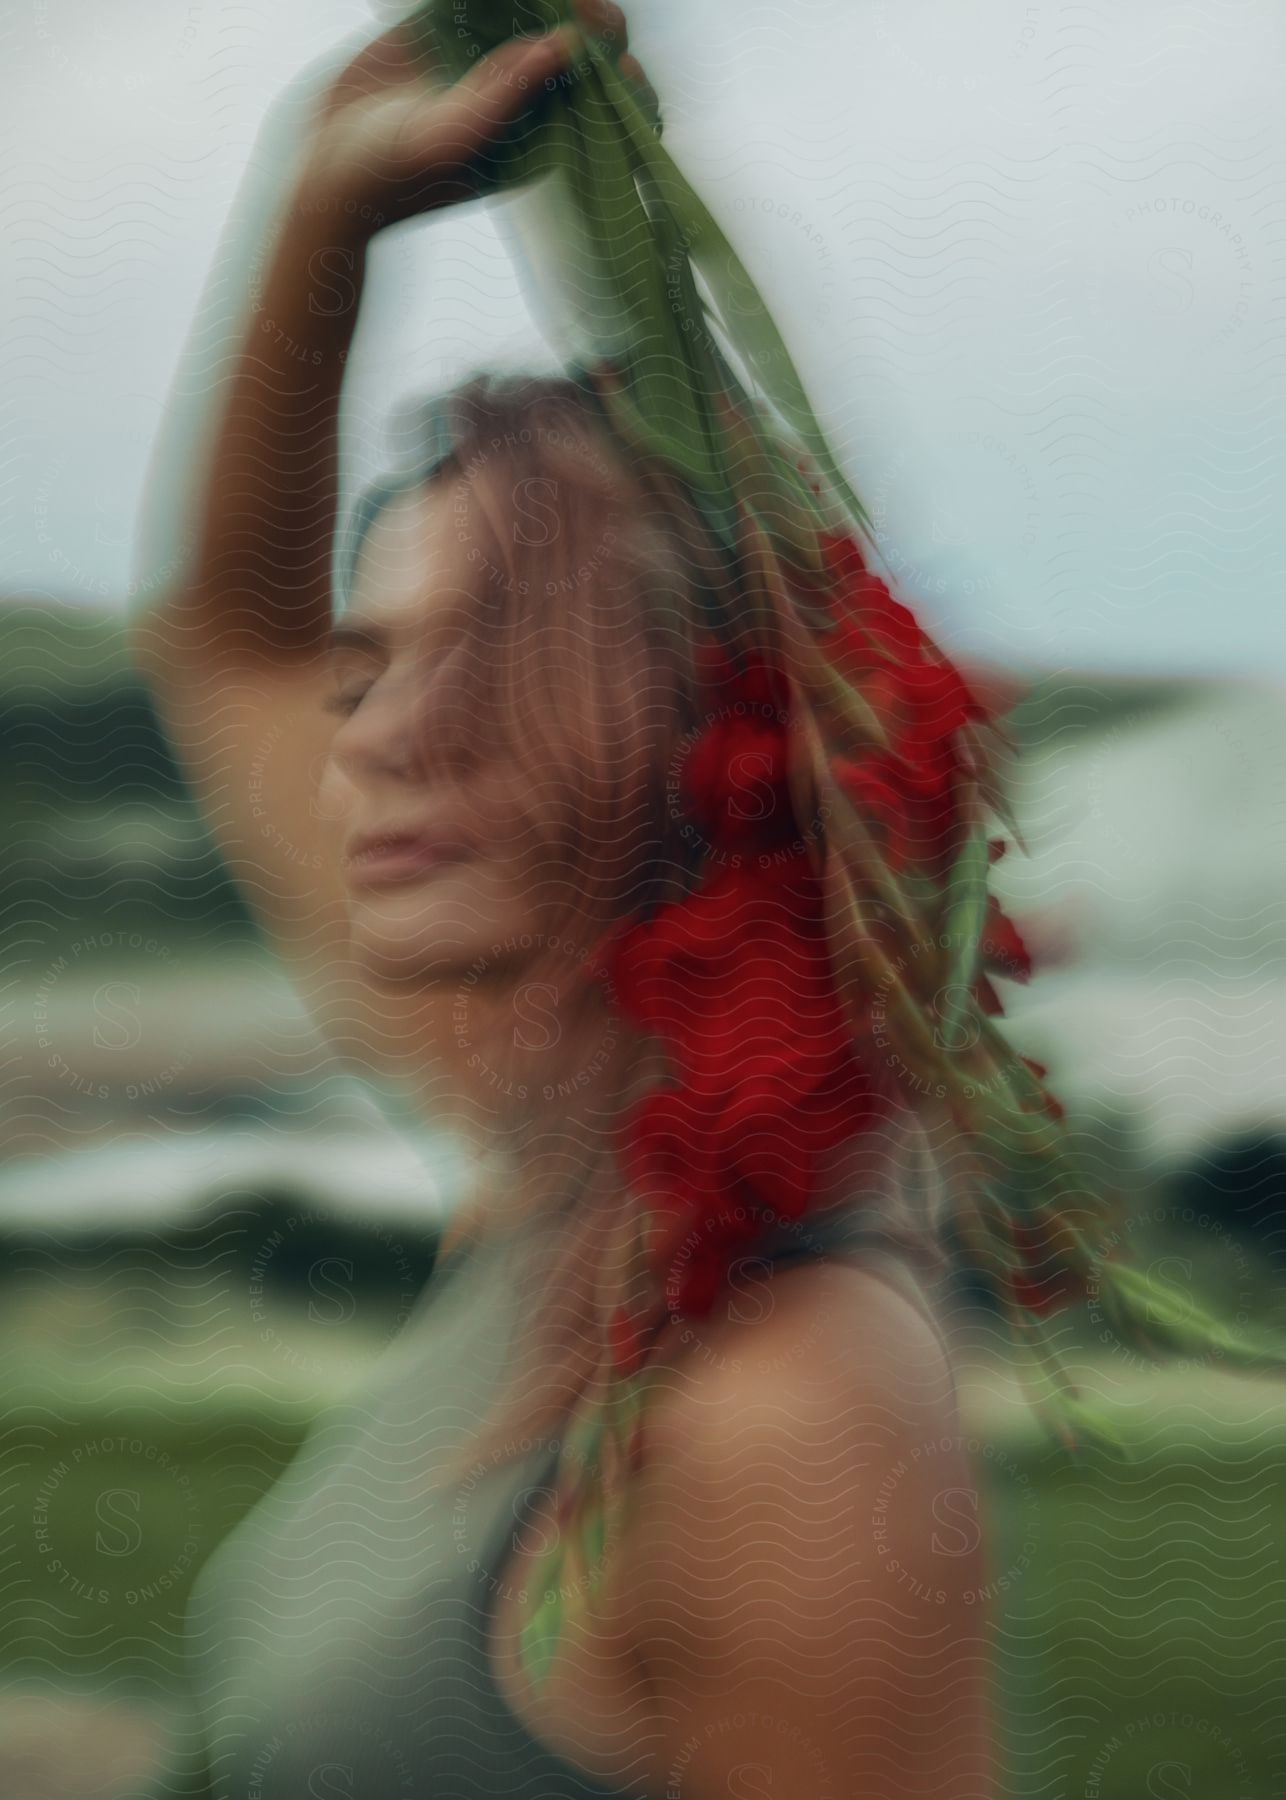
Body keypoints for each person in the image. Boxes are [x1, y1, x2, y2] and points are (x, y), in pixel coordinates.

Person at [129, 6, 996, 1795]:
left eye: (498, 661)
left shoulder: (788, 1413)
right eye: (373, 666)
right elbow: (229, 639)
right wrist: (323, 210)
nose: (377, 737)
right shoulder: (554, 1162)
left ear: (722, 736)